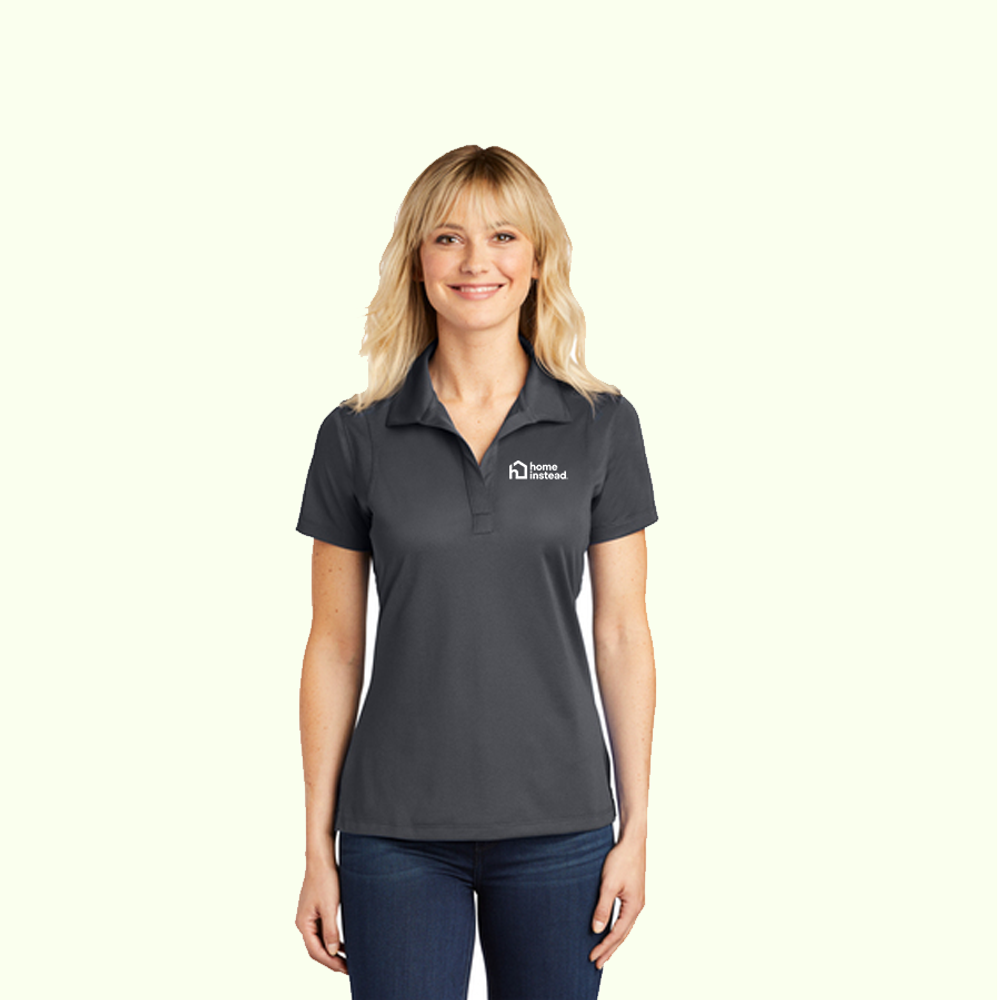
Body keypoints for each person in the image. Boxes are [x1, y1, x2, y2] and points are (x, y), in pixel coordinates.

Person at [293, 145, 657, 1000]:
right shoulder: (355, 435)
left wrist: (637, 827)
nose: (475, 261)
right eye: (448, 238)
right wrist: (315, 844)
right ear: (417, 261)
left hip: (562, 826)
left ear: (537, 259)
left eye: (502, 236)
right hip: (394, 832)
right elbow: (334, 646)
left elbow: (621, 632)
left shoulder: (601, 425)